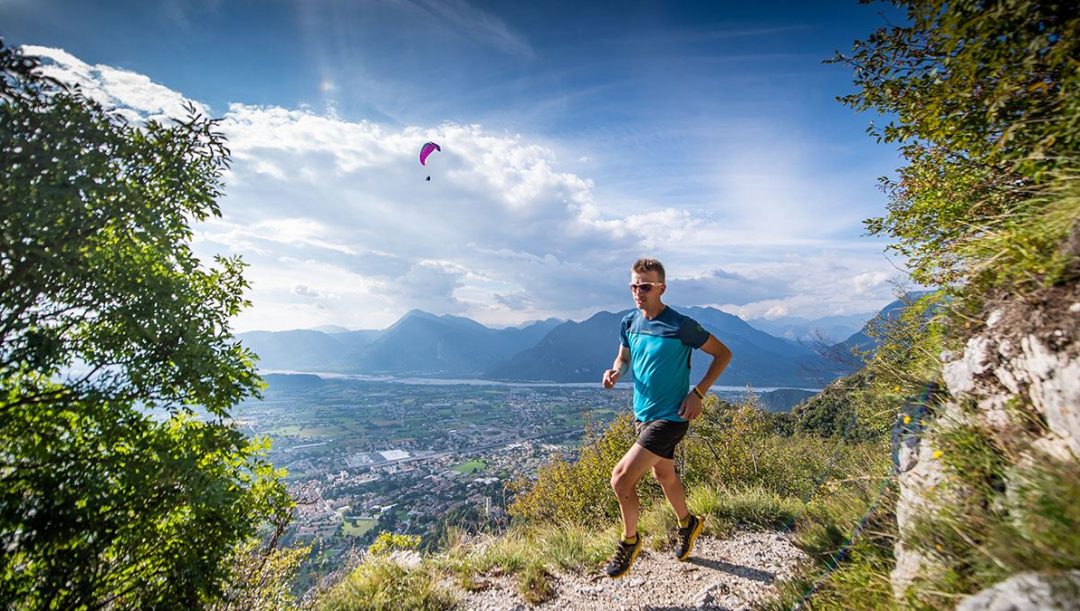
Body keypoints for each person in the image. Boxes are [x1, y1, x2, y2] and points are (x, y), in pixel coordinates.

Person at [600, 258, 732, 578]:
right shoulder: (628, 322)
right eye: (633, 285)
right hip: (642, 415)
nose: (638, 292)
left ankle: (629, 542)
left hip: (672, 417)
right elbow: (624, 355)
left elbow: (723, 354)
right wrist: (617, 371)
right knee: (664, 476)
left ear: (662, 288)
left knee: (621, 479)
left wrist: (698, 393)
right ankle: (688, 524)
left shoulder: (681, 325)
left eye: (645, 286)